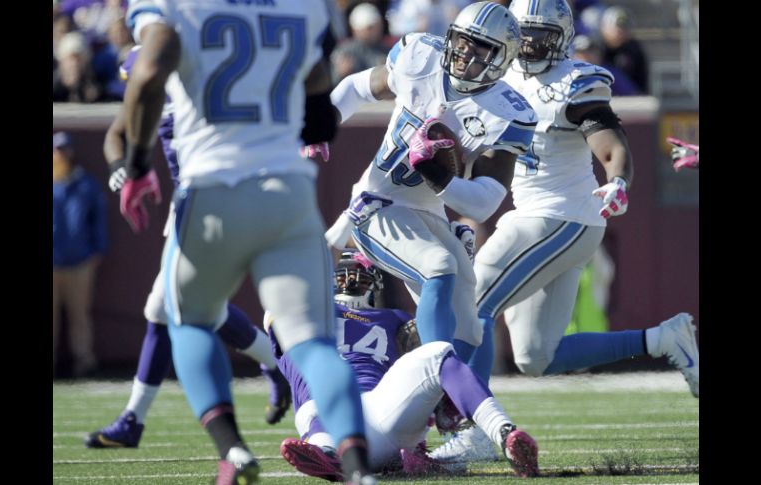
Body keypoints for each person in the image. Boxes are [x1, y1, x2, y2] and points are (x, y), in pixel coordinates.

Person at [431, 0, 699, 463]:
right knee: (536, 356)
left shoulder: (575, 82)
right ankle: (664, 339)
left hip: (561, 215)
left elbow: (611, 143)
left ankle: (477, 430)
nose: (532, 44)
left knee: (472, 304)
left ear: (564, 37)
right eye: (525, 33)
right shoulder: (499, 75)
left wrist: (617, 181)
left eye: (542, 35)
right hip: (539, 216)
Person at [118, 1, 374, 483]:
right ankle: (359, 468)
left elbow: (148, 69)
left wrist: (134, 167)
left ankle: (231, 449)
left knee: (190, 321)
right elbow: (319, 106)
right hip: (289, 192)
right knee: (314, 344)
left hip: (212, 187)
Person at [84, 46, 291, 449]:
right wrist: (121, 169)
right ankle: (274, 364)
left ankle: (136, 421)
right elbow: (117, 133)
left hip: (221, 199)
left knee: (174, 305)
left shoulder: (209, 70)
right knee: (173, 306)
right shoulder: (146, 66)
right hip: (187, 205)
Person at [316, 1, 536, 364]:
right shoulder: (421, 56)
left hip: (426, 210)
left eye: (481, 47)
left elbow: (483, 204)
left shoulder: (506, 111)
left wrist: (437, 173)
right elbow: (359, 86)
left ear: (503, 57)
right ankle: (429, 371)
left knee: (469, 327)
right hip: (377, 205)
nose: (466, 52)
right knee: (436, 267)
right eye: (464, 41)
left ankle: (455, 408)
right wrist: (323, 123)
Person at [273, 250, 539, 479]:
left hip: (381, 408)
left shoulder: (396, 319)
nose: (352, 280)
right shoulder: (303, 312)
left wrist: (459, 263)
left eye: (359, 274)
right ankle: (327, 452)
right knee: (324, 395)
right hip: (330, 409)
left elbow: (451, 344)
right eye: (345, 275)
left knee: (438, 350)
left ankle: (505, 435)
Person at [53, 131, 109, 378]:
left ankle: (84, 362)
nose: (60, 154)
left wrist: (98, 249)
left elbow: (99, 220)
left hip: (80, 260)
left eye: (64, 149)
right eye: (57, 149)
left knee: (80, 316)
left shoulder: (86, 184)